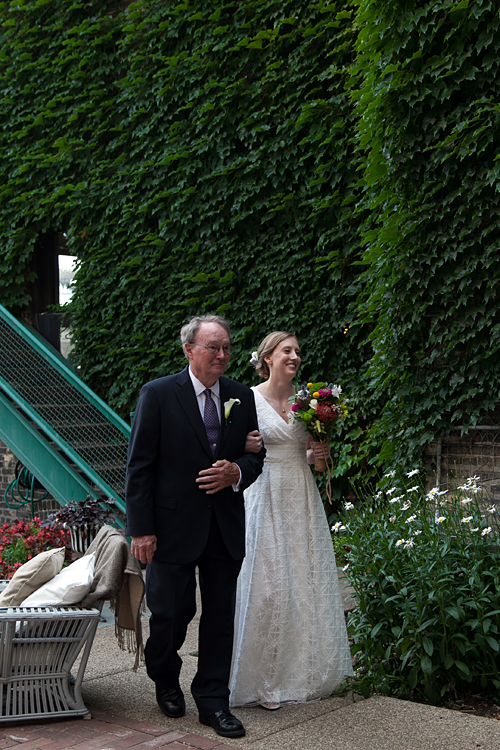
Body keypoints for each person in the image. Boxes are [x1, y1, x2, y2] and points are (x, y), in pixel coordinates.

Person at [125, 315, 265, 739]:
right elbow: (140, 467)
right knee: (170, 616)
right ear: (189, 350)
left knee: (220, 618)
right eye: (213, 347)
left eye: (226, 347)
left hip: (223, 526)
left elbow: (256, 457)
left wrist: (235, 473)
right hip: (170, 528)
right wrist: (141, 529)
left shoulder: (242, 397)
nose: (222, 355)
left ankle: (212, 701)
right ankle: (165, 677)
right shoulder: (159, 394)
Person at [229, 331, 353, 709]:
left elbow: (315, 462)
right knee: (267, 588)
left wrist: (320, 452)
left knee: (303, 581)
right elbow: (227, 447)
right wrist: (244, 446)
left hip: (299, 494)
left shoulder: (309, 403)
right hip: (263, 495)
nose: (295, 356)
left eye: (297, 351)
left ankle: (302, 674)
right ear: (267, 357)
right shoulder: (246, 397)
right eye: (287, 350)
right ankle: (263, 680)